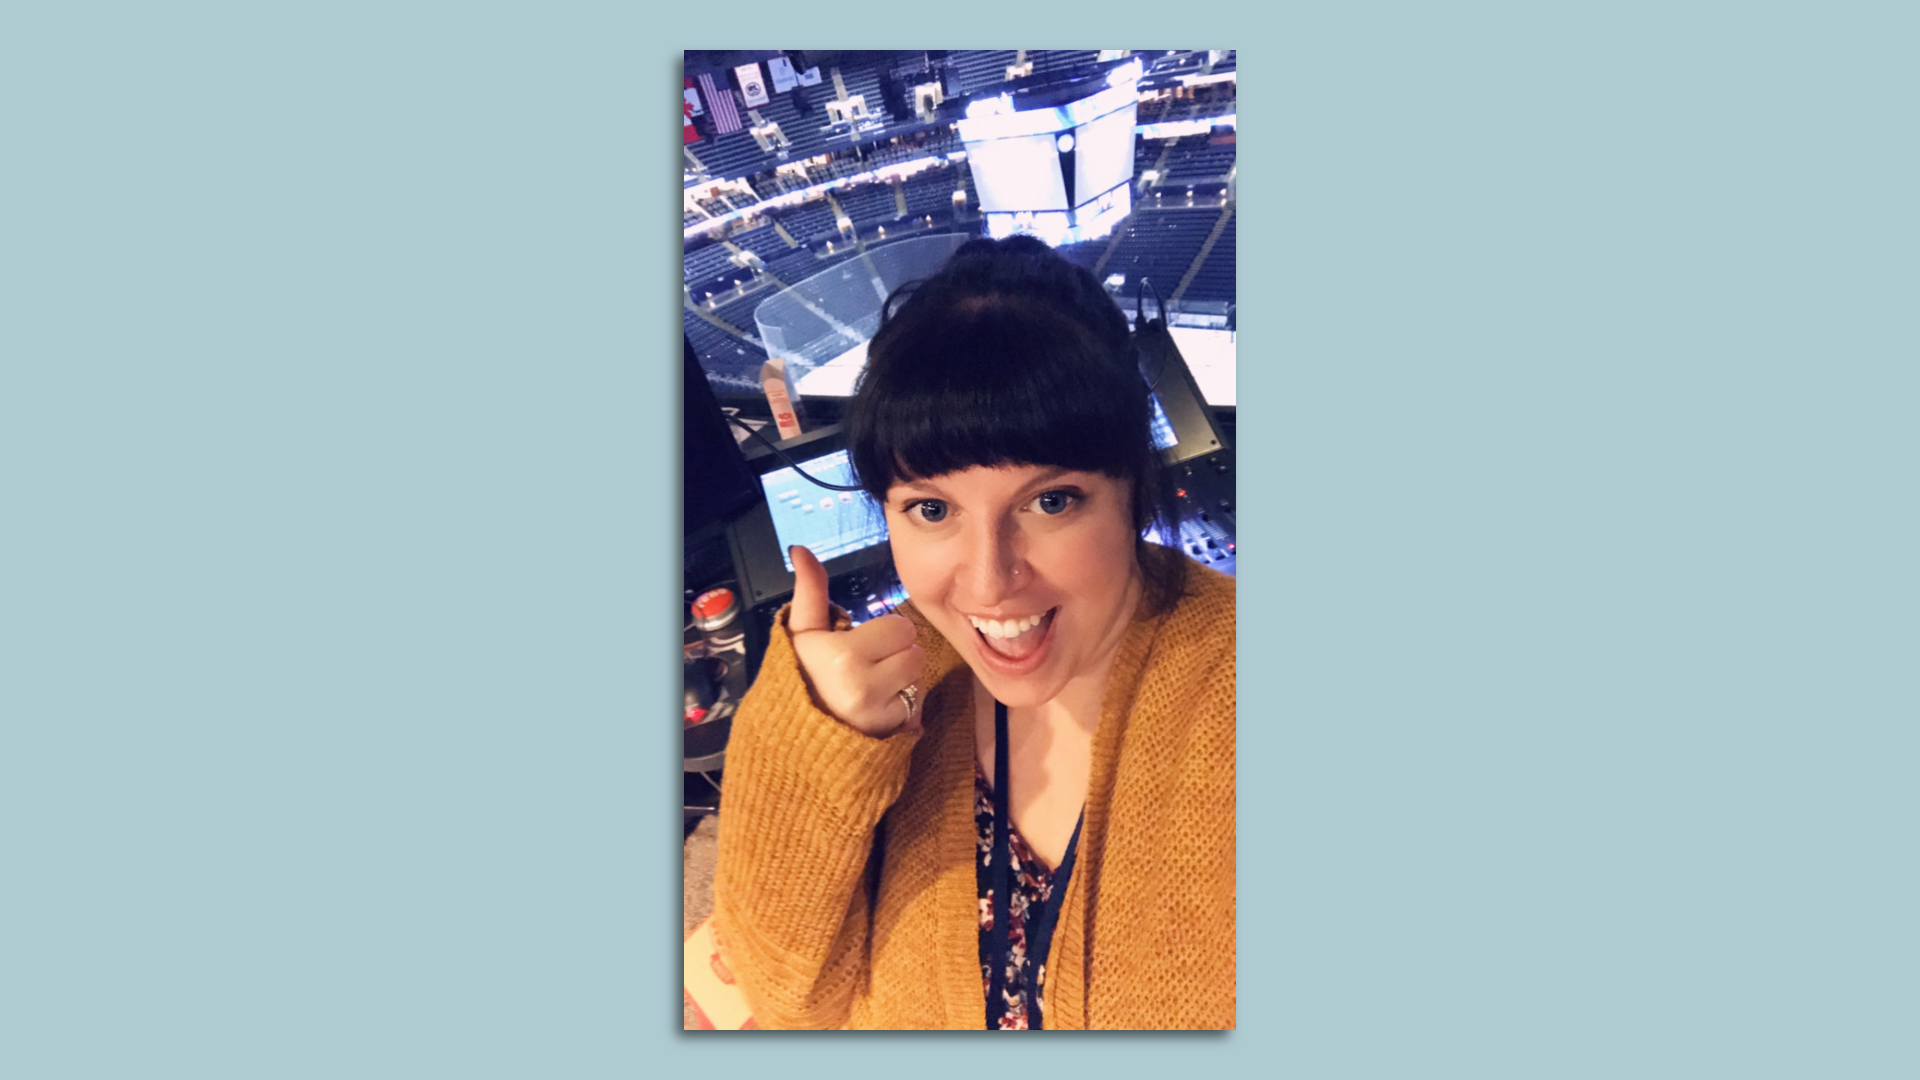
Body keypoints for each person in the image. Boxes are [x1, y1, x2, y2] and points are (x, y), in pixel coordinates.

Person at [712, 235, 1235, 1030]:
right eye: (931, 509)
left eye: (1051, 502)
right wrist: (807, 745)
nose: (989, 581)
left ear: (1132, 489)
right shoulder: (884, 700)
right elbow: (792, 1003)